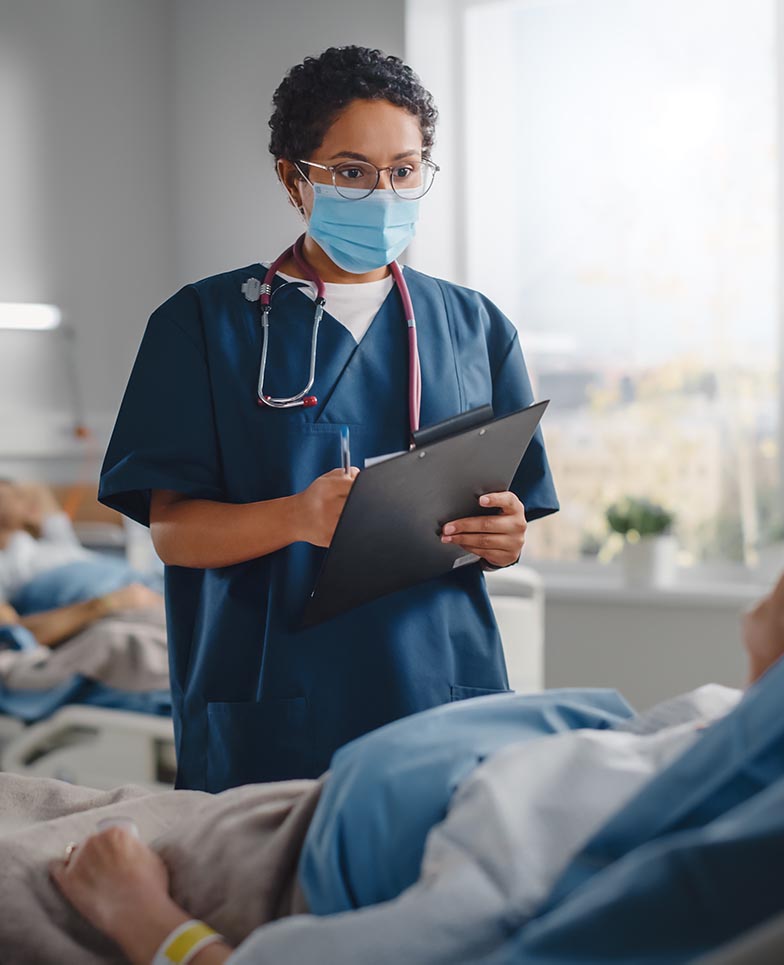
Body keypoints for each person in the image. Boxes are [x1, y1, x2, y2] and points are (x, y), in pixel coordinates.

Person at [26, 445, 784, 965]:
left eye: (407, 168)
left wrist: (152, 923)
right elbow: (172, 527)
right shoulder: (726, 739)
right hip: (280, 818)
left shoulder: (606, 832)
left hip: (264, 879)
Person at [98, 46, 558, 792]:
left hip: (438, 694)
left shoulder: (476, 327)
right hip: (275, 709)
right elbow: (174, 533)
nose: (383, 193)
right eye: (351, 171)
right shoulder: (202, 326)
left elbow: (508, 521)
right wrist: (297, 516)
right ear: (293, 177)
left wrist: (504, 539)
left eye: (404, 170)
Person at [0, 480, 163, 644]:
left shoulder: (55, 542)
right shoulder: (6, 564)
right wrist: (104, 604)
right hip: (122, 602)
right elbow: (13, 632)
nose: (18, 497)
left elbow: (39, 491)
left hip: (146, 584)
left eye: (18, 495)